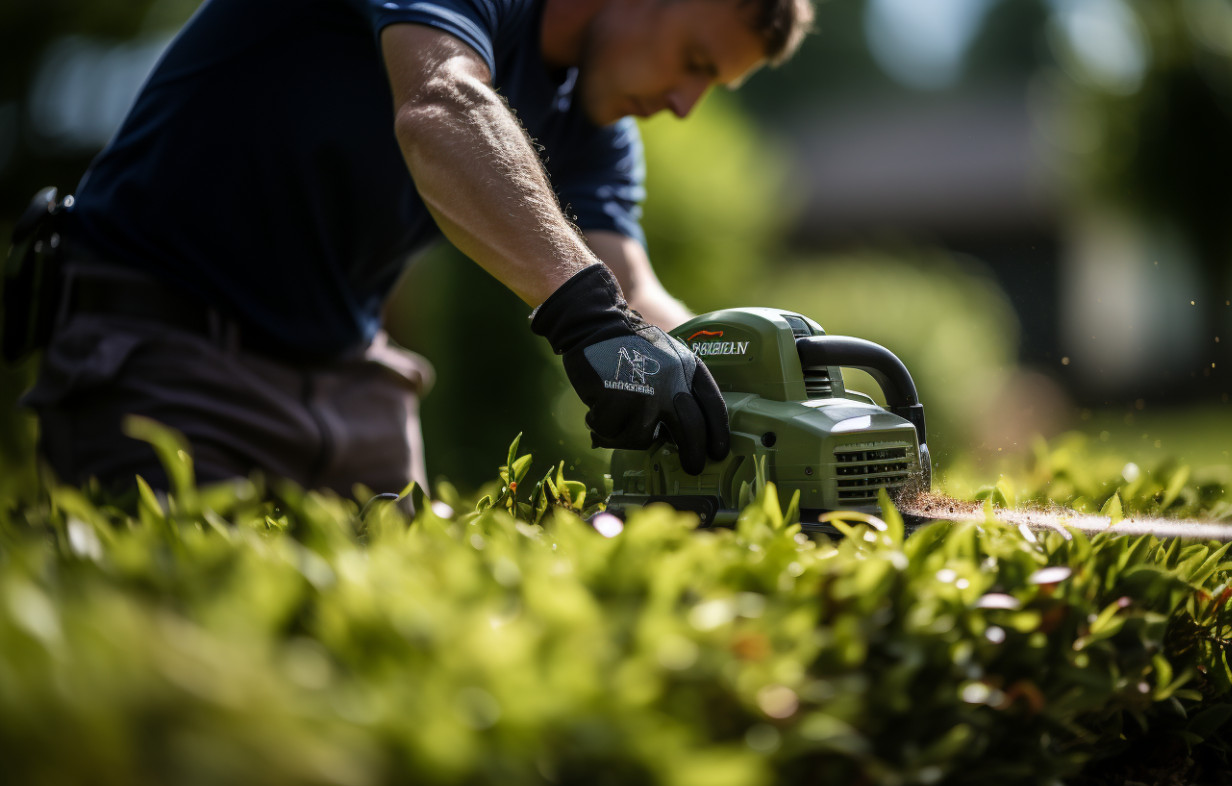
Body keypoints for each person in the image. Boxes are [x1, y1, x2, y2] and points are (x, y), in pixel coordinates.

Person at [19, 0, 814, 496]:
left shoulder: (593, 115)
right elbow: (441, 104)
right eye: (695, 62)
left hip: (350, 382)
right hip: (165, 352)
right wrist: (585, 316)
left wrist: (769, 384)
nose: (683, 104)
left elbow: (630, 287)